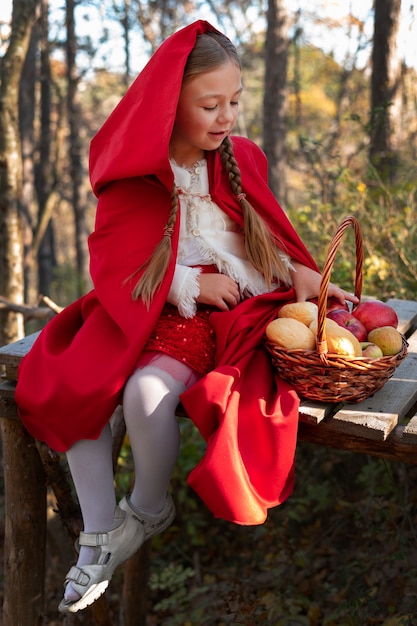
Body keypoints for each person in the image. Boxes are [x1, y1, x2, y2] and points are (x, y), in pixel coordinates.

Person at [15, 20, 358, 614]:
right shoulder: (138, 173)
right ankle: (98, 534)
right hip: (141, 305)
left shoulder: (239, 158)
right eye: (210, 104)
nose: (226, 117)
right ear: (168, 107)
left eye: (234, 101)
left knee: (146, 394)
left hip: (208, 322)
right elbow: (119, 255)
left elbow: (261, 235)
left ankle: (146, 509)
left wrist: (295, 270)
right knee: (72, 384)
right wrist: (188, 281)